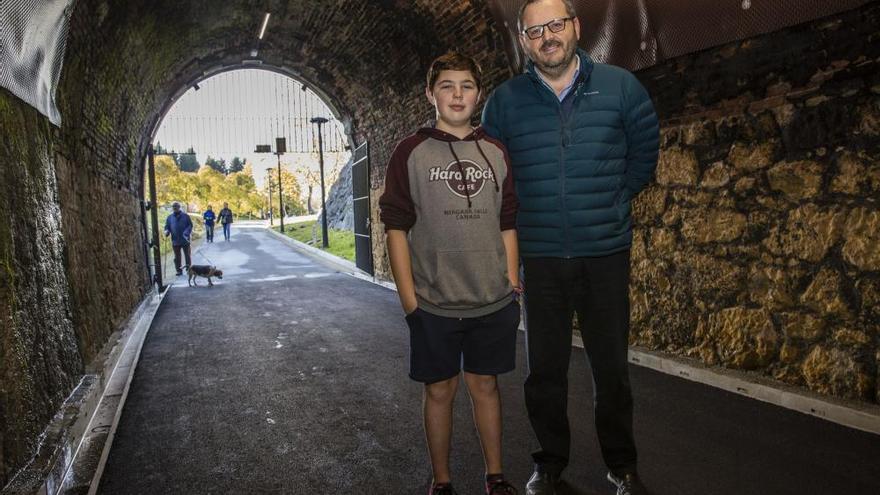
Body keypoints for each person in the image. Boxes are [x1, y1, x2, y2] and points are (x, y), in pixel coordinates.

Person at [481, 1, 659, 494]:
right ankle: (549, 463)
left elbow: (644, 151)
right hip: (539, 258)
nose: (547, 37)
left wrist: (615, 198)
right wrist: (509, 250)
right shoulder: (504, 102)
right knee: (544, 372)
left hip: (604, 252)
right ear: (523, 40)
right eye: (535, 30)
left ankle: (622, 465)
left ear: (577, 27)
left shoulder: (622, 87)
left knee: (612, 370)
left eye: (555, 25)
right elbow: (497, 179)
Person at [380, 52, 521, 495]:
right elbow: (396, 229)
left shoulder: (496, 152)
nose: (457, 94)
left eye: (466, 86)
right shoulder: (410, 152)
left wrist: (511, 280)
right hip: (435, 304)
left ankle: (495, 477)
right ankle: (441, 481)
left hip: (491, 299)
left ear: (479, 94)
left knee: (486, 387)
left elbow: (507, 222)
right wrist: (409, 301)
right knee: (439, 392)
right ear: (430, 93)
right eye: (446, 85)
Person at [164, 202, 193, 276]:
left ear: (179, 207)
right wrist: (167, 231)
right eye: (173, 207)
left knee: (187, 255)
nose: (175, 209)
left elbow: (190, 225)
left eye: (176, 207)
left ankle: (188, 269)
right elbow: (167, 227)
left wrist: (186, 233)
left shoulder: (186, 216)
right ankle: (179, 270)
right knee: (177, 257)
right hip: (175, 240)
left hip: (185, 239)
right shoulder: (169, 217)